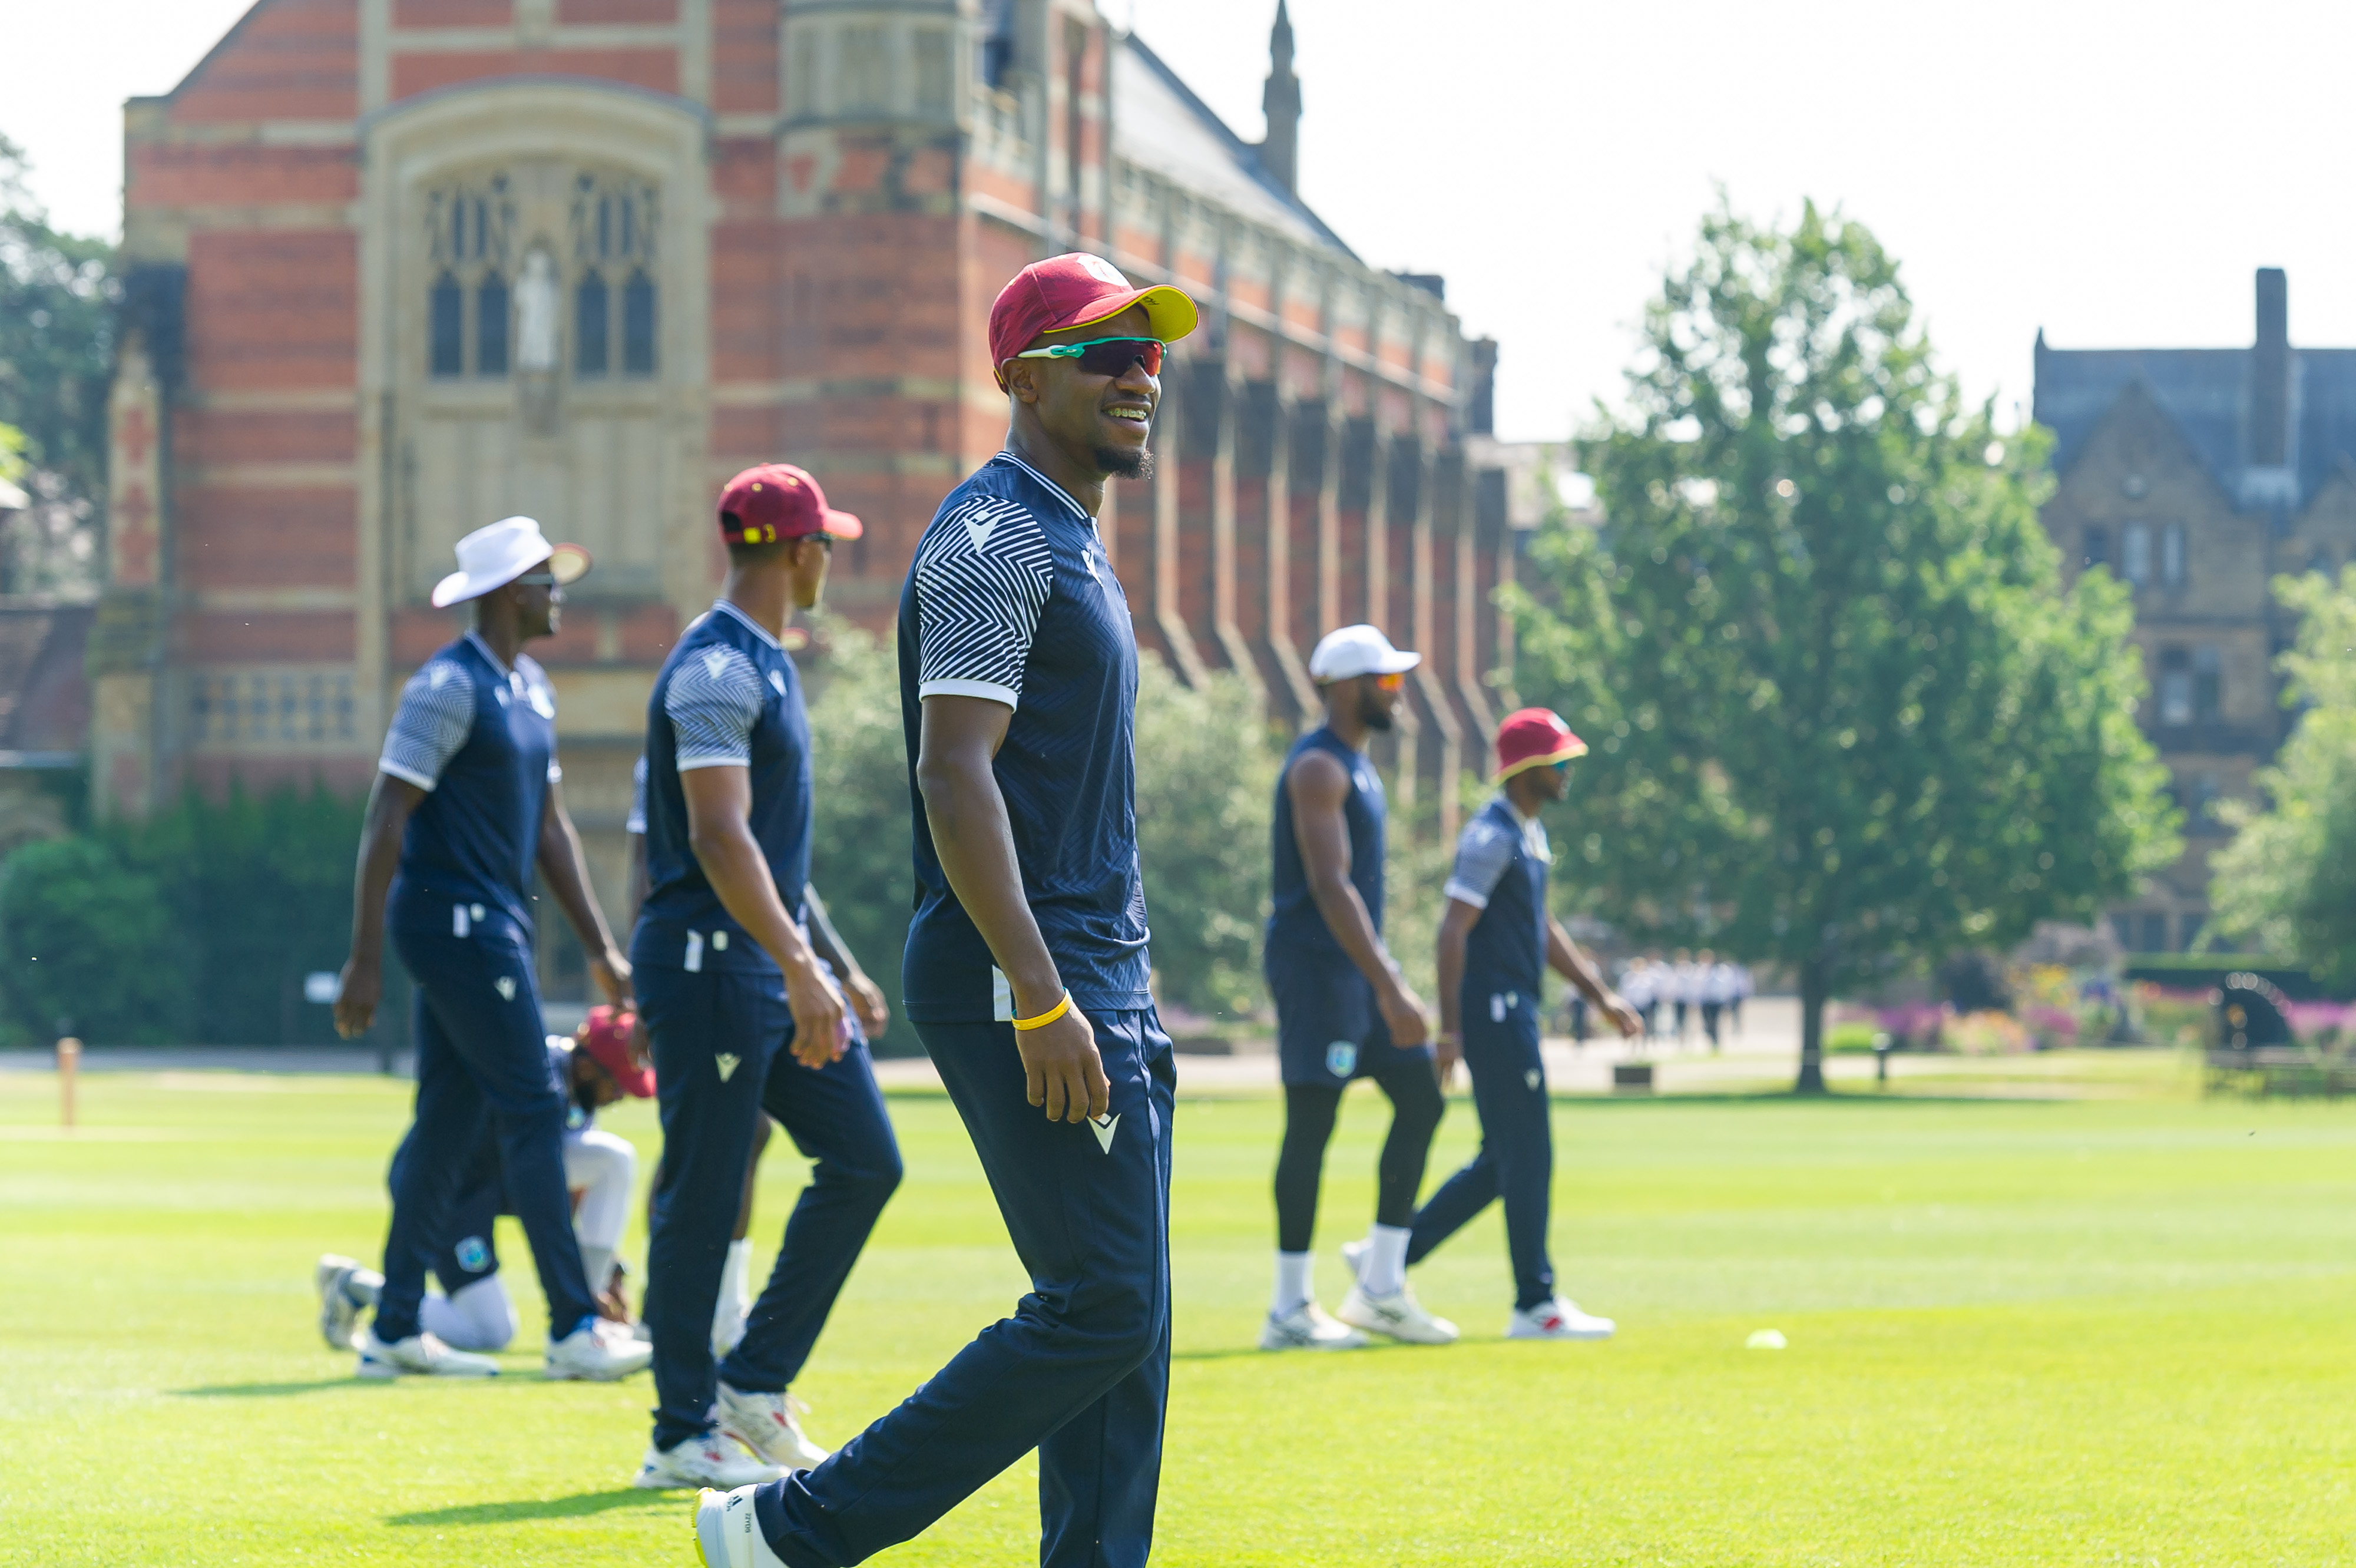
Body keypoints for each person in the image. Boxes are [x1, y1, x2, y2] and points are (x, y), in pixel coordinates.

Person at [695, 254, 1197, 1568]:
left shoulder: (1068, 539)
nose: (1138, 374)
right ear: (1022, 375)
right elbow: (952, 770)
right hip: (1017, 971)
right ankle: (790, 1530)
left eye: (1149, 353)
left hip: (1097, 969)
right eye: (1105, 353)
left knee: (1122, 1317)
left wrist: (1120, 990)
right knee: (1102, 1306)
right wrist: (1042, 990)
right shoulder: (992, 540)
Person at [631, 464, 904, 1491]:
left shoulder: (770, 663)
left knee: (865, 1159)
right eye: (826, 541)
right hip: (710, 968)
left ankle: (752, 1384)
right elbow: (717, 833)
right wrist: (801, 964)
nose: (830, 556)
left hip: (761, 965)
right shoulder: (716, 669)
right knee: (703, 1194)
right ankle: (678, 1432)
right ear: (796, 553)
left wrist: (830, 963)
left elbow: (773, 853)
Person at [331, 515, 650, 1382]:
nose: (559, 596)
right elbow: (386, 816)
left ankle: (394, 1323)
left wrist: (601, 948)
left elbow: (551, 830)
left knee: (447, 1120)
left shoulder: (532, 688)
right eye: (549, 581)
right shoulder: (448, 686)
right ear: (514, 592)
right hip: (456, 928)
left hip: (489, 925)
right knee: (533, 1109)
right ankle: (574, 1327)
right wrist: (364, 957)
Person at [1406, 709, 1643, 1341]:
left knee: (1501, 1159)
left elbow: (1541, 930)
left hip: (1511, 1010)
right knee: (1528, 1154)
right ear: (1527, 771)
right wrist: (1449, 1031)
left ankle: (1388, 1260)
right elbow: (1452, 930)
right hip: (1493, 1013)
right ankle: (1535, 1304)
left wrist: (1600, 997)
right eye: (1558, 763)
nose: (1568, 773)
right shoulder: (1492, 837)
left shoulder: (1527, 833)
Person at [1259, 623, 1450, 1352]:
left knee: (1421, 1098)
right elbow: (1329, 885)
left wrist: (1384, 981)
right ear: (1346, 687)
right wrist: (1393, 985)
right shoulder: (1318, 768)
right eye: (1388, 681)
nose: (1398, 694)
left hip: (1355, 973)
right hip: (1318, 972)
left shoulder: (1358, 766)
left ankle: (1379, 1287)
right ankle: (1288, 1309)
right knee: (1312, 1124)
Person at [317, 1005, 651, 1354]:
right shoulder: (539, 1077)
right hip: (449, 1195)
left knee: (612, 1159)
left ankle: (587, 1315)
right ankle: (355, 1286)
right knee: (490, 1331)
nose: (620, 1096)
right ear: (586, 1067)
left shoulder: (572, 1083)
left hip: (492, 1184)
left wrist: (609, 1273)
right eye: (616, 1084)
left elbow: (574, 1182)